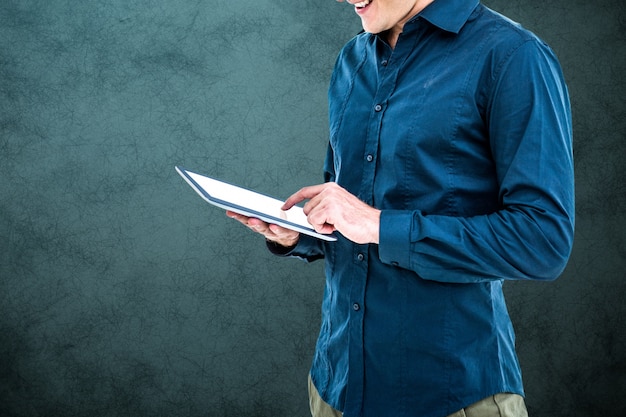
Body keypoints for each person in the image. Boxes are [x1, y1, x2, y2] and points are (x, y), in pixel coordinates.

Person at [227, 0, 574, 415]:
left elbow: (543, 241)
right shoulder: (351, 60)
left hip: (449, 397)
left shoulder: (514, 56)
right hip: (335, 388)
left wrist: (379, 226)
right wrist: (299, 233)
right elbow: (347, 212)